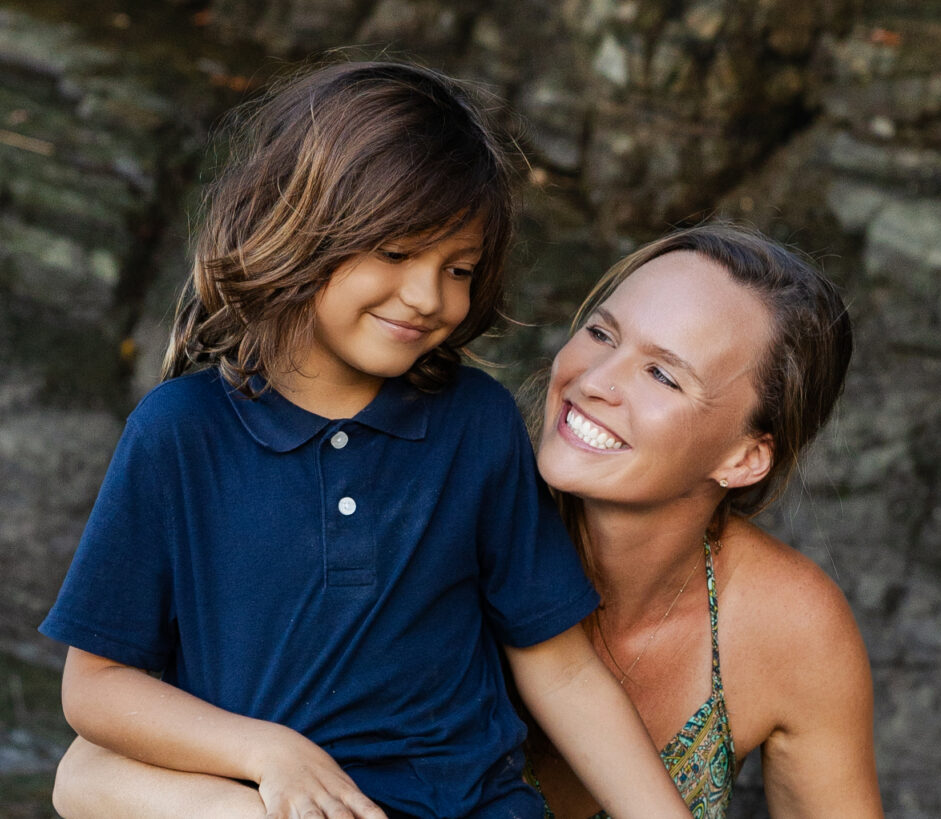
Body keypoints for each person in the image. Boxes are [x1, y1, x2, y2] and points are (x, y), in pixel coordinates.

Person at [40, 61, 693, 819]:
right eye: (394, 254)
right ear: (296, 222)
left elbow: (561, 667)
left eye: (458, 268)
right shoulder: (178, 435)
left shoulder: (475, 423)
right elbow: (95, 686)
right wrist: (264, 749)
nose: (428, 297)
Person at [527, 223, 884, 817]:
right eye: (600, 333)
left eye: (662, 374)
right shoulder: (446, 523)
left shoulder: (787, 627)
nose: (592, 382)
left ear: (743, 458)